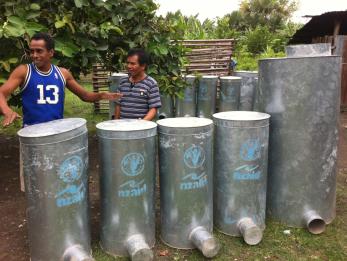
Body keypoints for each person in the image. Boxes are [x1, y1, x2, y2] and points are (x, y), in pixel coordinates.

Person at [0, 32, 122, 127]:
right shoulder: (24, 71)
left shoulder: (63, 73)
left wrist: (101, 95)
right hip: (31, 132)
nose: (34, 55)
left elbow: (85, 95)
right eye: (32, 51)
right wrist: (7, 111)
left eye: (39, 51)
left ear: (51, 52)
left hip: (56, 131)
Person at [115, 48, 161, 120]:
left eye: (133, 63)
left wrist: (141, 124)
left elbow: (153, 109)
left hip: (141, 129)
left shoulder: (151, 84)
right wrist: (116, 123)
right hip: (122, 127)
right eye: (128, 63)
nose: (129, 66)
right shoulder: (122, 82)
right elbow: (118, 105)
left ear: (143, 66)